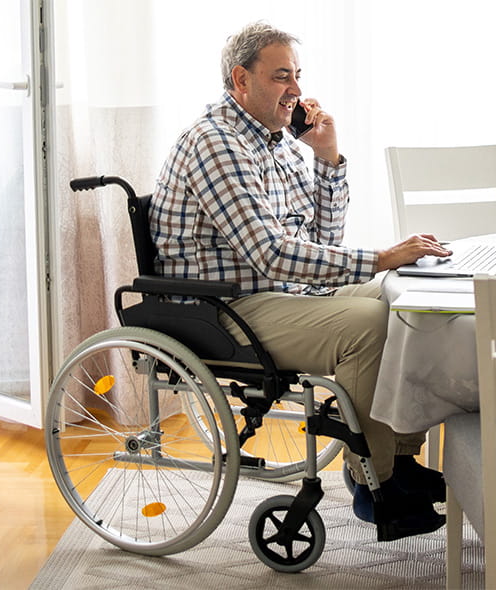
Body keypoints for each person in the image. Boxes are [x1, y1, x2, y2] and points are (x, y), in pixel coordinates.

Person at [148, 21, 451, 540]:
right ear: (241, 80)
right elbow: (271, 255)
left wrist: (327, 156)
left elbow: (323, 239)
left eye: (297, 76)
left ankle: (397, 459)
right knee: (370, 324)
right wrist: (380, 257)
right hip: (226, 308)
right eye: (281, 76)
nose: (295, 90)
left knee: (411, 301)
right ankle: (372, 481)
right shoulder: (216, 144)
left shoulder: (277, 143)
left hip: (277, 292)